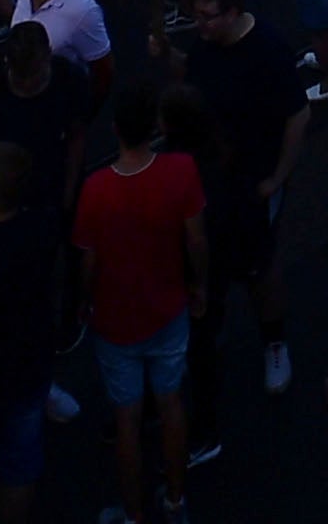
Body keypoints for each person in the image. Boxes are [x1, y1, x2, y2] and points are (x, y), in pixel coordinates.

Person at [68, 82, 209, 524]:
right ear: (154, 127)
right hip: (168, 310)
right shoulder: (182, 171)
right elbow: (196, 240)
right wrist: (199, 286)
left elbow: (88, 262)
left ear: (115, 129)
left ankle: (133, 515)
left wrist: (84, 301)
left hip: (115, 321)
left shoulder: (96, 189)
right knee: (171, 404)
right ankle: (175, 501)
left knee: (126, 419)